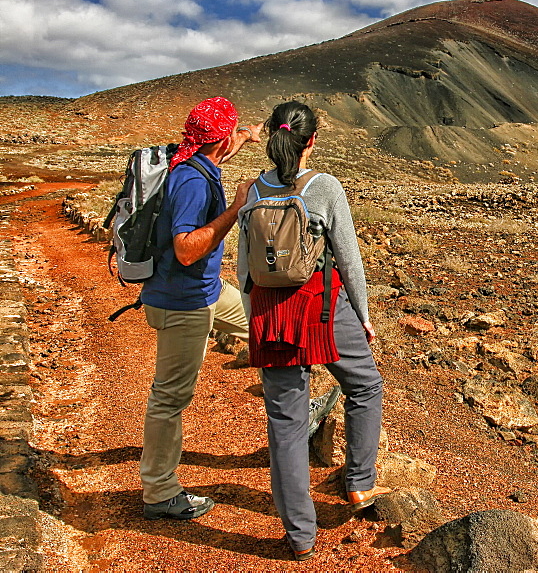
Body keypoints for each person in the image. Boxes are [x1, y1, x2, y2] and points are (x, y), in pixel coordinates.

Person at [237, 101, 387, 561]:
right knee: (365, 385)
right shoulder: (323, 186)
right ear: (312, 141)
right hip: (322, 306)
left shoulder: (253, 190)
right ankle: (359, 485)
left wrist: (252, 316)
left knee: (285, 421)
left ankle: (300, 537)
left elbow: (244, 264)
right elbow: (349, 258)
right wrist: (361, 314)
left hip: (270, 313)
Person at [139, 96, 261, 520]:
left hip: (206, 290)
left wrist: (249, 134)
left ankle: (298, 408)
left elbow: (227, 140)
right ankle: (159, 491)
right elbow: (187, 249)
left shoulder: (191, 155)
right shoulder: (191, 180)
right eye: (234, 133)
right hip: (183, 301)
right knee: (170, 397)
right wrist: (236, 209)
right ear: (220, 140)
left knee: (262, 325)